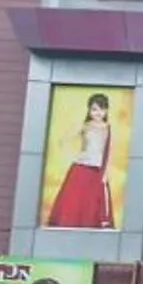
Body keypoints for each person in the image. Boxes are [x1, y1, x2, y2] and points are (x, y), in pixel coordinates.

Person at [44, 93, 117, 229]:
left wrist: (106, 172)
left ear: (106, 110)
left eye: (101, 109)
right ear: (89, 110)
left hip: (98, 171)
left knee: (93, 203)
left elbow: (110, 151)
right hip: (81, 168)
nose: (98, 113)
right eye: (94, 109)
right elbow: (63, 140)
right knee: (74, 200)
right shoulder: (85, 126)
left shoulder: (109, 129)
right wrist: (72, 156)